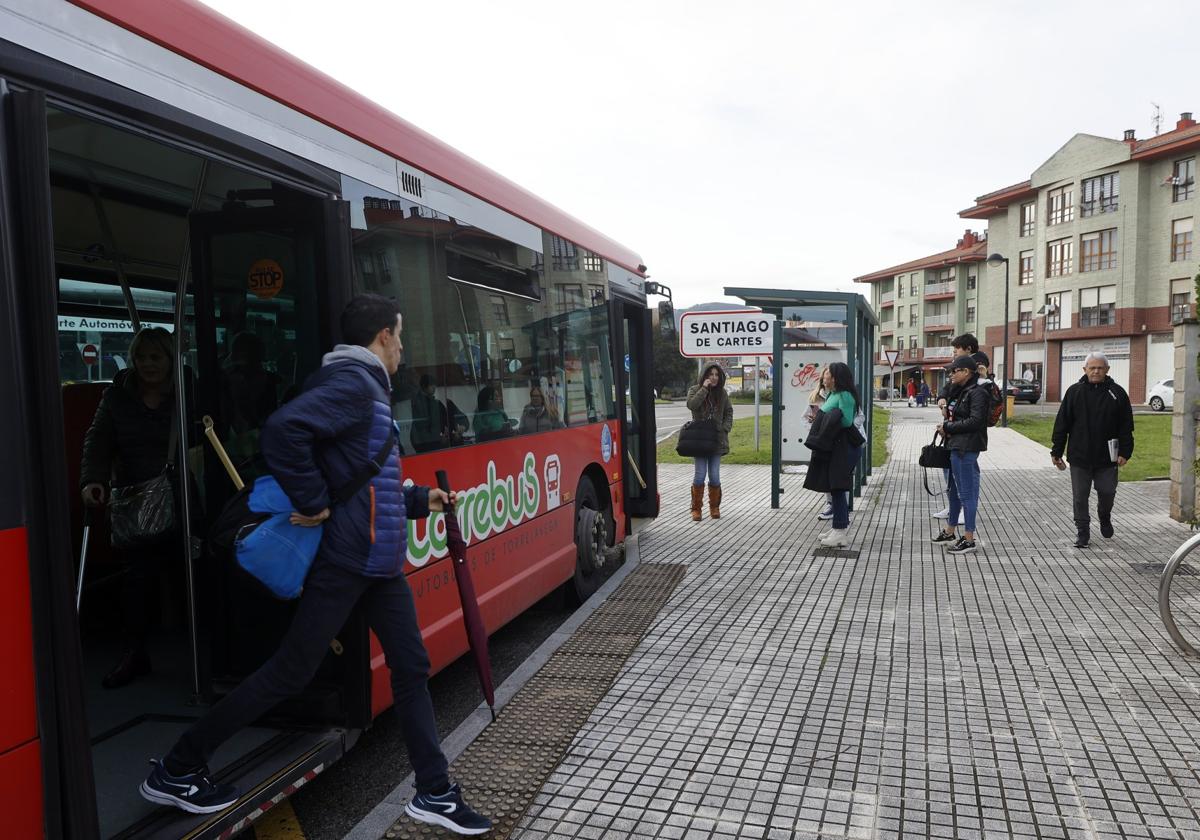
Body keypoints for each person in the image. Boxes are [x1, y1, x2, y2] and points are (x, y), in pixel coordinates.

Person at [139, 295, 491, 834]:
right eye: (399, 335)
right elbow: (283, 432)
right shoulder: (353, 385)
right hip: (349, 560)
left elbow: (364, 477)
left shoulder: (368, 390)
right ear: (381, 337)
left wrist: (421, 501)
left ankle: (434, 791)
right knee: (290, 671)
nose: (403, 346)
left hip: (377, 561)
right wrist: (311, 499)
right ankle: (179, 766)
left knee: (411, 667)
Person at [80, 327, 181, 689]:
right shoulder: (117, 397)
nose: (148, 364)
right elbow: (98, 439)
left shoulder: (188, 393)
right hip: (137, 499)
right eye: (141, 357)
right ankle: (135, 652)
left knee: (194, 573)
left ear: (170, 360)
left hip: (184, 497)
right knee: (137, 579)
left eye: (156, 357)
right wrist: (93, 479)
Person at [1050, 351, 1134, 548]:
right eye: (1092, 368)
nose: (1096, 371)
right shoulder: (1074, 392)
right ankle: (1082, 532)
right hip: (1080, 456)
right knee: (1080, 496)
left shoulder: (1118, 393)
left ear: (1107, 370)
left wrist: (1125, 452)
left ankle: (1104, 516)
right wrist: (1056, 451)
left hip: (1107, 457)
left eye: (1100, 368)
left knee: (1107, 491)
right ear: (1085, 370)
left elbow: (1126, 426)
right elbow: (1062, 424)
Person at [931, 355, 989, 555]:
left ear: (966, 372)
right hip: (954, 446)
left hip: (966, 448)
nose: (951, 374)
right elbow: (946, 394)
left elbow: (976, 421)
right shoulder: (960, 390)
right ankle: (950, 531)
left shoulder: (978, 392)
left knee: (967, 494)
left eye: (954, 371)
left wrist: (948, 426)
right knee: (953, 492)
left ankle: (969, 538)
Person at [804, 362, 862, 548]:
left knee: (837, 487)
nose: (824, 377)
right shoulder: (833, 394)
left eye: (827, 374)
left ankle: (840, 532)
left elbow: (845, 421)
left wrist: (825, 419)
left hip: (844, 446)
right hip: (835, 446)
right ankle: (838, 527)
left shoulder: (845, 395)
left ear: (836, 377)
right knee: (833, 487)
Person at [932, 333, 983, 524]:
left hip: (967, 438)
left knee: (969, 475)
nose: (954, 354)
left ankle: (966, 510)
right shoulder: (959, 373)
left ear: (968, 349)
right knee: (951, 471)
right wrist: (941, 399)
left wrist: (949, 426)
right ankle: (955, 507)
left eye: (956, 350)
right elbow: (947, 389)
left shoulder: (977, 371)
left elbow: (976, 417)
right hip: (954, 434)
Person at [685, 363, 733, 521]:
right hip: (700, 439)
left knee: (714, 475)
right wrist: (704, 389)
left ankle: (714, 507)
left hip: (717, 440)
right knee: (699, 474)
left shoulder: (722, 393)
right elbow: (692, 405)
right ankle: (696, 509)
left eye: (716, 375)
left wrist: (725, 428)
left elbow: (728, 412)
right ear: (704, 376)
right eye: (710, 374)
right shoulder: (694, 390)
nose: (714, 377)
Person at [410, 374, 468, 452]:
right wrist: (439, 439)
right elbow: (421, 430)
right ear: (424, 386)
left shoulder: (442, 402)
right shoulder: (419, 404)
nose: (434, 387)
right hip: (431, 448)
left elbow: (461, 418)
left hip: (449, 445)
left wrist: (462, 427)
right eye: (431, 385)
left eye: (435, 384)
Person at [806, 370, 836, 522]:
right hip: (821, 440)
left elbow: (857, 418)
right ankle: (830, 503)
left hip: (836, 441)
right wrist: (813, 422)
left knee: (837, 474)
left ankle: (839, 505)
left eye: (828, 378)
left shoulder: (841, 396)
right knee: (825, 473)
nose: (825, 381)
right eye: (824, 378)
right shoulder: (816, 396)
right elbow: (806, 417)